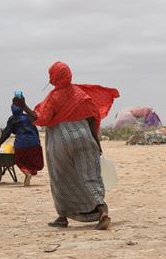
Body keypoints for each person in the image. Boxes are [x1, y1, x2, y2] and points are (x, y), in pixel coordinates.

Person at [13, 61, 119, 230]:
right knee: (90, 176)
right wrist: (96, 144)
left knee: (61, 178)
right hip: (85, 138)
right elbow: (93, 119)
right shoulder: (81, 95)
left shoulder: (54, 97)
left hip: (60, 142)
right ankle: (102, 211)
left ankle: (63, 217)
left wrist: (23, 105)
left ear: (53, 77)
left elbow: (41, 119)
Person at [0, 104, 44, 186]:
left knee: (19, 160)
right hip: (34, 142)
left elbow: (6, 132)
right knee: (33, 158)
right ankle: (31, 171)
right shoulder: (28, 117)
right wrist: (38, 141)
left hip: (21, 144)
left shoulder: (12, 119)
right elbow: (35, 129)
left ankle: (27, 172)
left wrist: (0, 143)